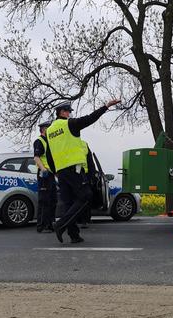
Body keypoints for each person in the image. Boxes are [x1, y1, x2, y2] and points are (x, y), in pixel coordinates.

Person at [47, 99, 121, 244]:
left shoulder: (49, 131)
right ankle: (60, 224)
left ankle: (74, 235)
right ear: (62, 112)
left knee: (69, 203)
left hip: (61, 172)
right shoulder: (69, 124)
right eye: (68, 111)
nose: (69, 114)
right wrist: (105, 107)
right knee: (86, 196)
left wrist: (55, 171)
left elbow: (49, 154)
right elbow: (90, 119)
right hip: (74, 169)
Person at [33, 120, 57, 233]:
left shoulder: (49, 142)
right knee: (44, 200)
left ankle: (50, 223)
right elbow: (36, 157)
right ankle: (42, 225)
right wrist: (43, 169)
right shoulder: (39, 141)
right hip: (44, 175)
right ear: (44, 129)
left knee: (53, 200)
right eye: (49, 128)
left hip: (50, 175)